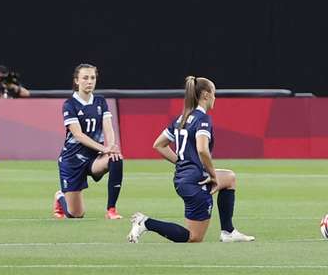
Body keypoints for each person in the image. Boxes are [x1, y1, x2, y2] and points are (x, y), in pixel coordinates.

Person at [127, 76, 255, 243]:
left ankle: (228, 231)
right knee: (194, 237)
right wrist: (213, 175)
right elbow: (202, 149)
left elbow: (159, 145)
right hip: (195, 182)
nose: (215, 97)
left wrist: (182, 162)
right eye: (214, 93)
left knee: (229, 178)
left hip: (184, 178)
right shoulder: (203, 119)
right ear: (205, 95)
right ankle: (146, 222)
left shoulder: (182, 119)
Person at [52, 63, 124, 220]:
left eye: (92, 77)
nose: (89, 81)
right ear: (77, 81)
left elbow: (108, 127)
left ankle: (111, 210)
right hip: (72, 161)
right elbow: (78, 135)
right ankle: (60, 197)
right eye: (85, 78)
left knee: (116, 157)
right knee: (76, 214)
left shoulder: (100, 101)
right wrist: (103, 148)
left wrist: (110, 147)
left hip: (93, 159)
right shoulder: (69, 104)